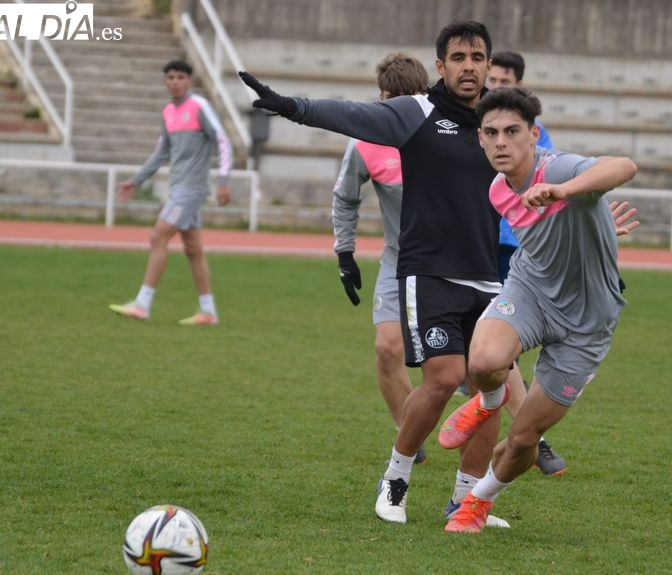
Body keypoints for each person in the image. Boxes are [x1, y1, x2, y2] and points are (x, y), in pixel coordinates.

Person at [241, 21, 511, 528]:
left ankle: (467, 500)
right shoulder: (416, 113)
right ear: (441, 66)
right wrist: (292, 106)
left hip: (487, 276)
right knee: (444, 378)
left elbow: (539, 170)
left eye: (477, 57)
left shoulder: (500, 119)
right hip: (427, 273)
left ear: (488, 64)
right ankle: (396, 478)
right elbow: (351, 114)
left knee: (488, 387)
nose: (469, 66)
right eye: (458, 57)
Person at [439, 87, 638, 533]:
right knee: (485, 361)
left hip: (587, 322)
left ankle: (478, 500)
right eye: (490, 133)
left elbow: (624, 166)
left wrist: (565, 191)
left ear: (534, 135)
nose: (500, 142)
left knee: (524, 439)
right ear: (480, 140)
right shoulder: (497, 189)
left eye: (512, 132)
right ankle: (488, 402)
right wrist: (598, 229)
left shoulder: (559, 167)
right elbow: (546, 238)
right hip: (532, 291)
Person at [332, 53, 428, 462]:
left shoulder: (445, 133)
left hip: (452, 263)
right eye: (385, 100)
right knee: (388, 349)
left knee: (465, 369)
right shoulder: (366, 141)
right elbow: (345, 197)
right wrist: (345, 250)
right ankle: (410, 440)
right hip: (398, 259)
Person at [485, 50, 567, 476]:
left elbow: (549, 184)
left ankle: (530, 434)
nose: (496, 85)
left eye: (505, 81)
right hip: (478, 250)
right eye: (491, 79)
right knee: (491, 355)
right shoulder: (478, 129)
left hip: (522, 251)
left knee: (508, 353)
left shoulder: (535, 135)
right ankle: (528, 435)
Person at [110, 60, 232, 326]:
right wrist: (137, 180)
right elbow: (161, 152)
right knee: (193, 249)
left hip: (192, 189)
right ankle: (208, 311)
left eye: (180, 77)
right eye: (170, 77)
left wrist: (223, 180)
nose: (175, 82)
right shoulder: (168, 112)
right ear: (165, 82)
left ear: (189, 81)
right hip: (178, 188)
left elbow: (222, 140)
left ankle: (142, 304)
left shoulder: (199, 106)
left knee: (158, 236)